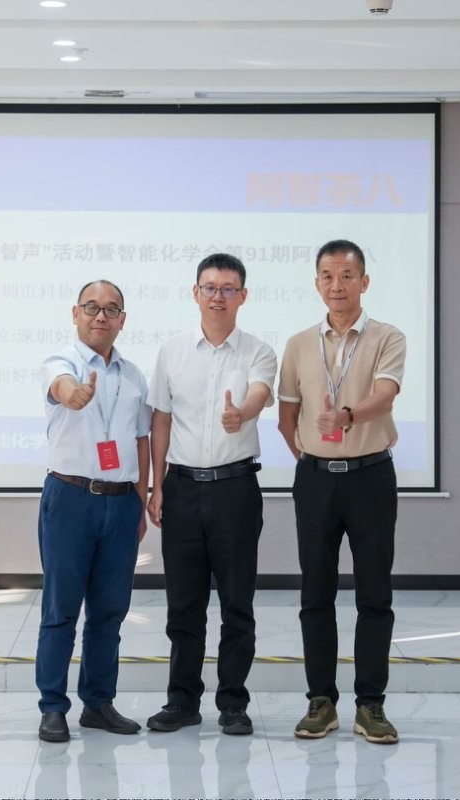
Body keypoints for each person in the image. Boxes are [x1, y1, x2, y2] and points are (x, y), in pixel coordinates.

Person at [277, 239, 406, 745]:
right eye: (328, 276)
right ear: (317, 284)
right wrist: (313, 458)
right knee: (316, 593)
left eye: (347, 275)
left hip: (370, 476)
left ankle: (371, 705)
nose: (337, 285)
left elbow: (386, 395)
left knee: (375, 593)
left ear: (364, 282)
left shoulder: (387, 337)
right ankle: (321, 701)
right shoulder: (297, 345)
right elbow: (288, 417)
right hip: (315, 479)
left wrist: (346, 418)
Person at [144, 253, 277, 736]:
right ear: (195, 292)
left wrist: (242, 413)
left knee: (237, 603)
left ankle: (233, 703)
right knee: (184, 605)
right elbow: (161, 420)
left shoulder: (259, 351)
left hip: (235, 490)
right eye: (210, 287)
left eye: (228, 288)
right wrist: (157, 485)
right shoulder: (172, 351)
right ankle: (181, 701)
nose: (218, 296)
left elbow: (260, 392)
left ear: (243, 295)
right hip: (181, 489)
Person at [35, 279, 151, 743]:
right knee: (61, 610)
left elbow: (141, 441)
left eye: (111, 309)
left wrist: (140, 501)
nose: (101, 315)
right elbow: (62, 388)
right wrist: (74, 395)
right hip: (71, 499)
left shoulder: (134, 376)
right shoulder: (60, 362)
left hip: (121, 503)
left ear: (123, 319)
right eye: (91, 307)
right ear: (75, 313)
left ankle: (98, 704)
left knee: (109, 612)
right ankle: (52, 706)